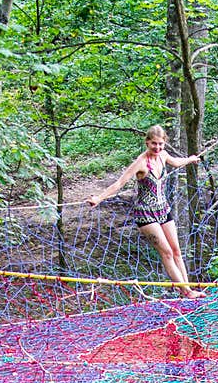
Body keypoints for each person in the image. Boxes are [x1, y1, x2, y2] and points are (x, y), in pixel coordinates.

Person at [87, 125, 203, 298]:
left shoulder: (163, 155)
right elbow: (119, 183)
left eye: (161, 144)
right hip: (146, 214)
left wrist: (190, 159)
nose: (157, 147)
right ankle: (187, 292)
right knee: (167, 253)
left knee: (177, 251)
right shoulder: (141, 162)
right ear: (147, 142)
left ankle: (188, 288)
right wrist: (99, 198)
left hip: (163, 210)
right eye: (154, 144)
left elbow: (176, 162)